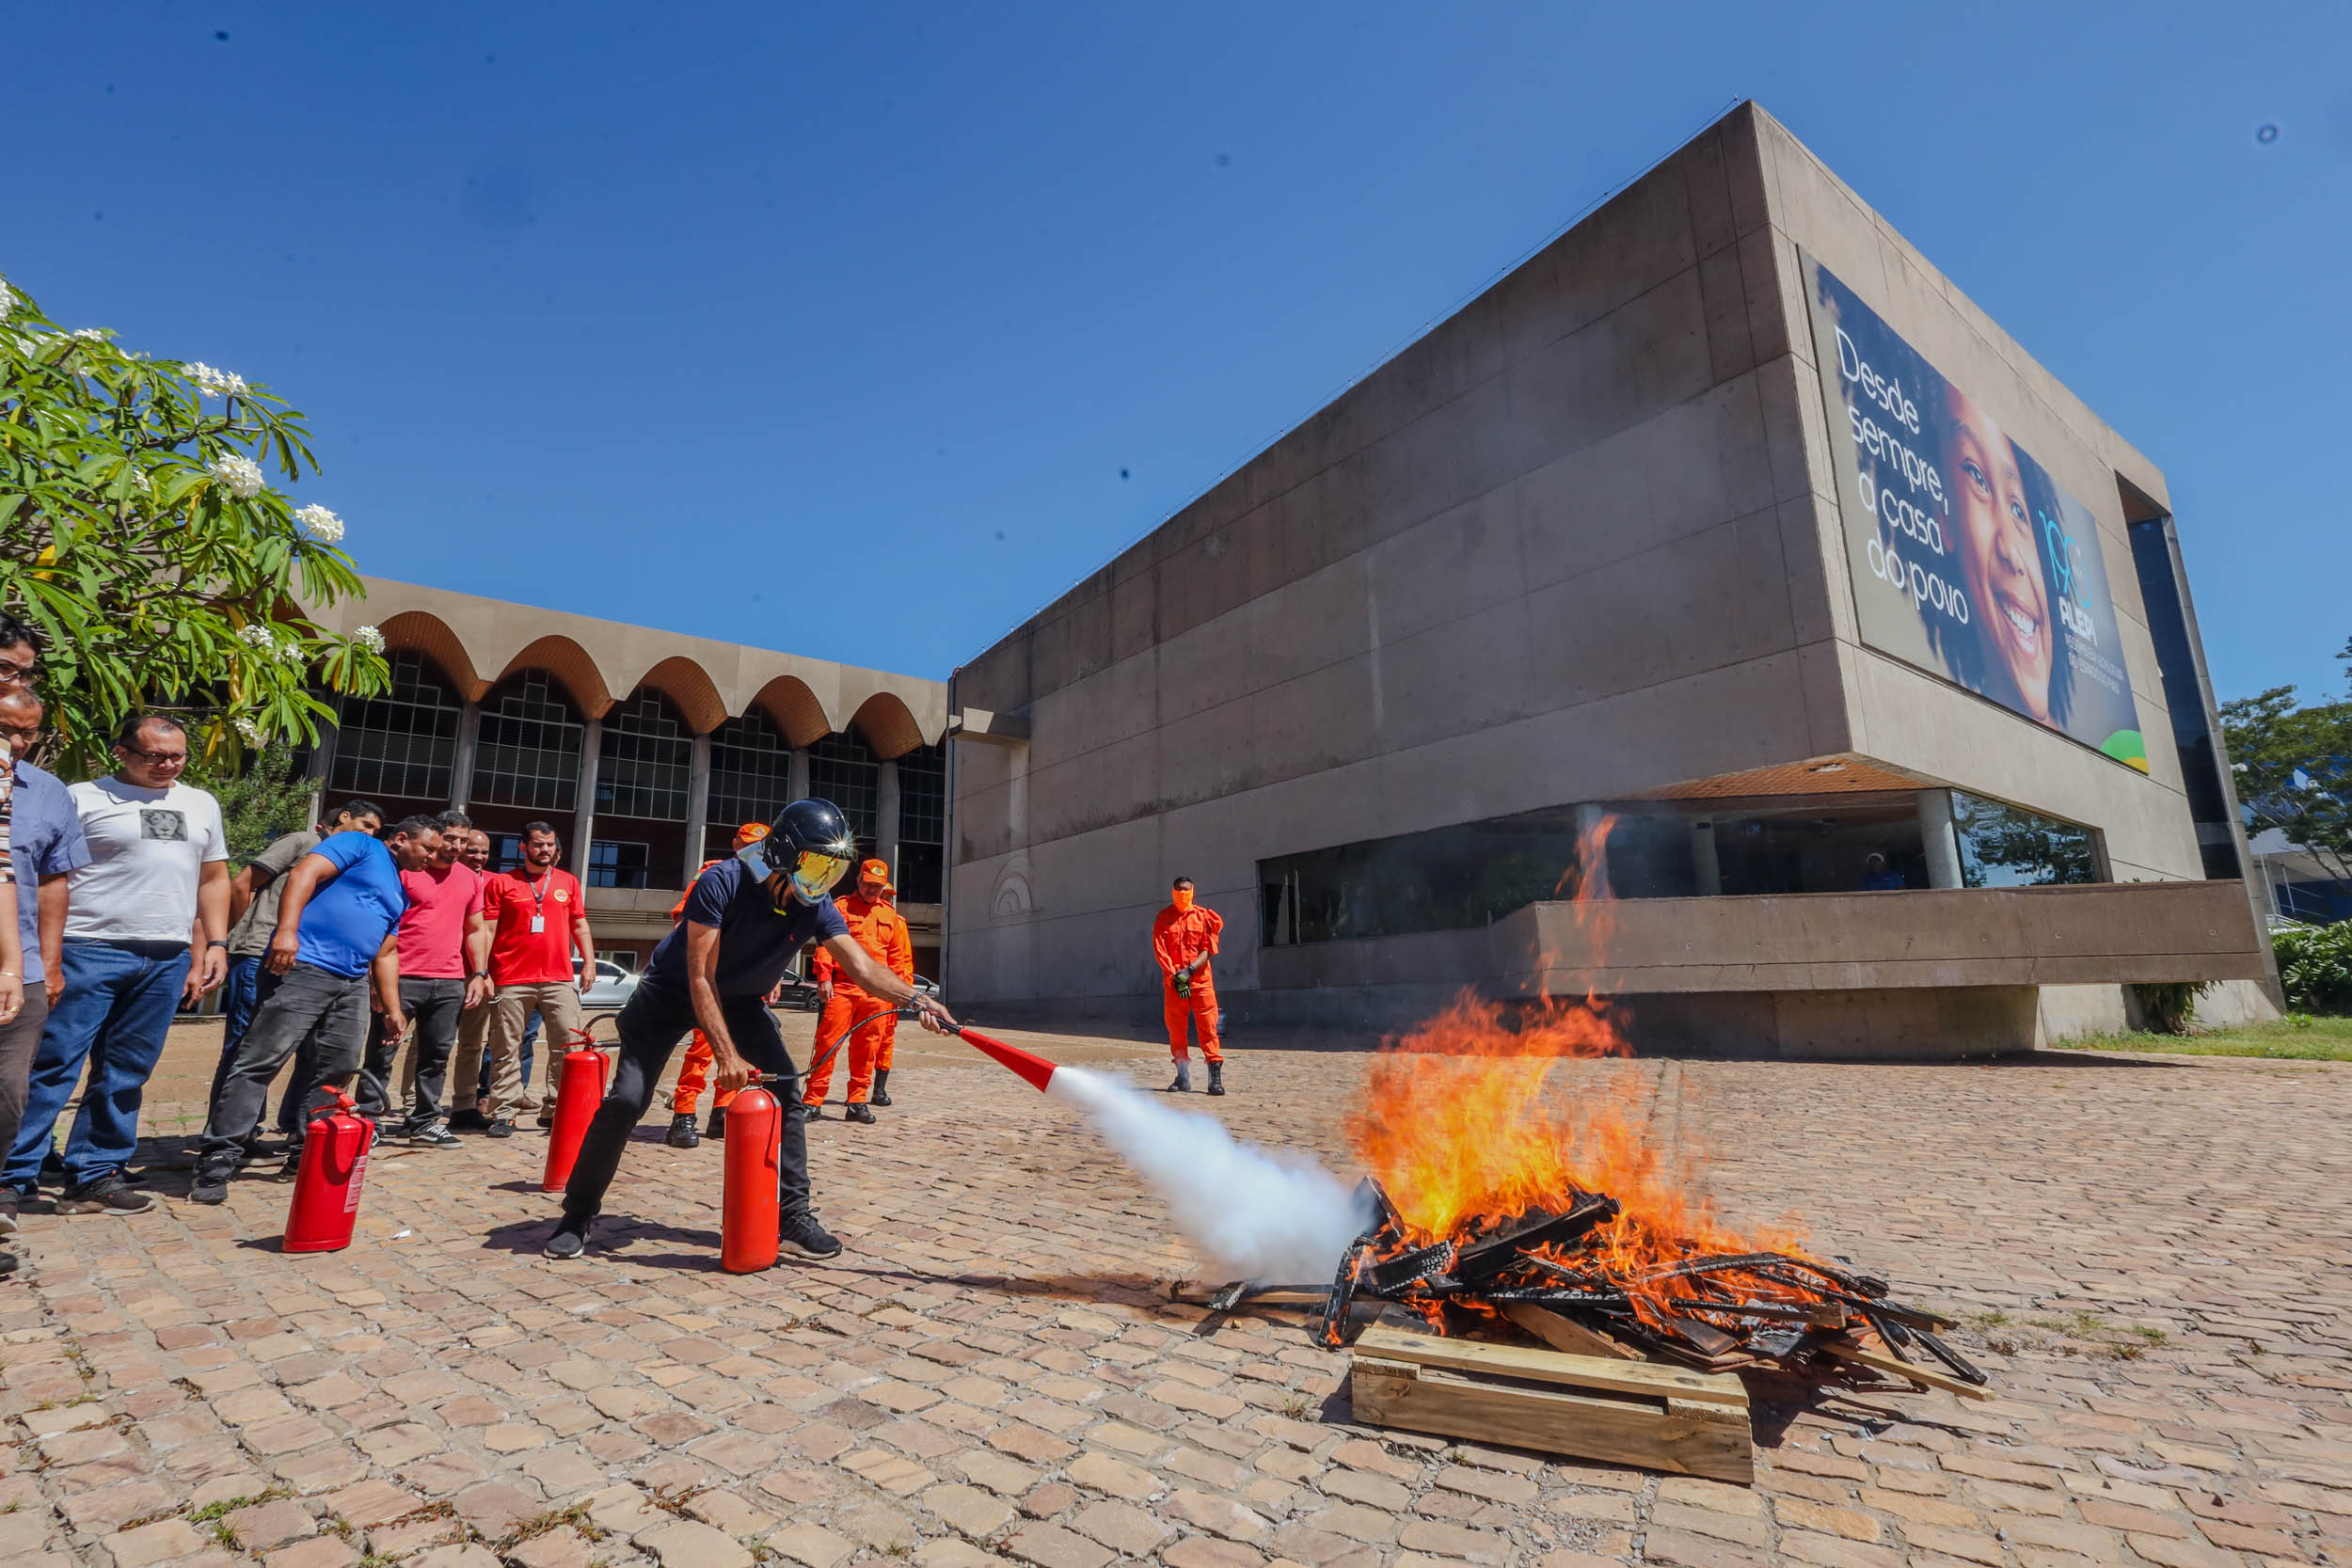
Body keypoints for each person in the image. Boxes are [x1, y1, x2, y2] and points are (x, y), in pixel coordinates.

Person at [546, 799, 954, 1261]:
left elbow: (861, 966)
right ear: (784, 853)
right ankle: (577, 1213)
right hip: (669, 994)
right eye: (817, 865)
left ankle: (792, 1215)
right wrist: (726, 1055)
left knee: (788, 1093)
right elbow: (700, 975)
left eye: (834, 869)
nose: (824, 880)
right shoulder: (723, 881)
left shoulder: (816, 905)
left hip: (741, 1001)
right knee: (626, 1101)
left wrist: (917, 1000)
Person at [6, 716, 228, 1215]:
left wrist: (214, 943)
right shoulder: (80, 797)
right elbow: (49, 876)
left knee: (126, 1072)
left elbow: (212, 877)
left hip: (166, 956)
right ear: (120, 752)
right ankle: (14, 1176)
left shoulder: (201, 803)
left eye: (177, 756)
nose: (167, 765)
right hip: (87, 947)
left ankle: (95, 1172)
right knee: (52, 1066)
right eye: (154, 756)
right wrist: (47, 955)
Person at [191, 816, 443, 1201]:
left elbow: (386, 952)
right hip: (303, 966)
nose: (433, 857)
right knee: (261, 1060)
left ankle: (306, 1150)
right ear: (401, 839)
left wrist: (392, 1008)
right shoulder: (360, 844)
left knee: (336, 1070)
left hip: (352, 982)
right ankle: (219, 1157)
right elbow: (303, 874)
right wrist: (287, 931)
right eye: (428, 848)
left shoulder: (398, 890)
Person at [216, 800, 385, 1143]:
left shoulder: (350, 860)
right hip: (261, 949)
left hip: (304, 959)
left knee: (309, 1052)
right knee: (249, 1048)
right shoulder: (303, 842)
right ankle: (233, 1136)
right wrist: (235, 935)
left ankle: (292, 1129)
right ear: (344, 816)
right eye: (366, 825)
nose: (370, 835)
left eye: (376, 832)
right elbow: (241, 884)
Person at [0, 679, 87, 1263]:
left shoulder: (48, 792)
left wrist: (48, 965)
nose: (18, 742)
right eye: (7, 730)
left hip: (22, 969)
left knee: (9, 1094)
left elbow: (52, 881)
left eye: (28, 733)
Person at [362, 809, 488, 1145]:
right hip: (400, 977)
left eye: (463, 840)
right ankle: (368, 1120)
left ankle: (424, 1122)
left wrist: (479, 973)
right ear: (435, 836)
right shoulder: (406, 871)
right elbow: (377, 923)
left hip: (449, 980)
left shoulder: (470, 879)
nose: (457, 846)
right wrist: (375, 978)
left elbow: (475, 929)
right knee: (381, 1053)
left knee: (436, 1056)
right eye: (450, 838)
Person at [478, 822, 596, 1136]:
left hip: (559, 977)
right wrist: (483, 971)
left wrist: (589, 963)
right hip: (511, 978)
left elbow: (580, 924)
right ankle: (504, 1111)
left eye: (550, 844)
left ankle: (557, 1109)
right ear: (524, 847)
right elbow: (487, 930)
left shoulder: (568, 882)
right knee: (506, 1047)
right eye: (538, 844)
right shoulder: (502, 883)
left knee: (569, 1043)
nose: (545, 850)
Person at [667, 822, 770, 1148]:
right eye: (748, 844)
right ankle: (684, 1114)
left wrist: (773, 976)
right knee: (703, 1048)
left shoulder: (769, 884)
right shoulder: (712, 874)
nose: (753, 850)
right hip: (711, 977)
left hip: (745, 979)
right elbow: (684, 921)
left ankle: (722, 1112)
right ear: (735, 843)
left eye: (760, 846)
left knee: (738, 1047)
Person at [803, 859, 913, 1125]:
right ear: (859, 881)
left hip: (877, 994)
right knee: (827, 1044)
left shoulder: (890, 916)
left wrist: (901, 994)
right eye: (869, 884)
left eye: (878, 886)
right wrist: (824, 977)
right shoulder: (840, 907)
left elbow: (899, 959)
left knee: (868, 1049)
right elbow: (825, 945)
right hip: (843, 987)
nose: (873, 890)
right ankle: (813, 1102)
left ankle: (857, 1102)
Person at [446, 829, 502, 1131]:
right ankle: (414, 1103)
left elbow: (493, 933)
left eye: (484, 852)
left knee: (472, 1044)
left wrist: (485, 973)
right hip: (443, 971)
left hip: (478, 975)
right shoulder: (444, 875)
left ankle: (464, 1106)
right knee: (429, 1044)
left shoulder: (495, 882)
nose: (478, 857)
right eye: (472, 850)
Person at [1152, 876, 1225, 1096]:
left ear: (1192, 890)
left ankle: (1214, 1079)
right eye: (1179, 889)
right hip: (1174, 983)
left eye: (1186, 889)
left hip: (1201, 983)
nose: (1183, 893)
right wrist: (1177, 977)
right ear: (1173, 891)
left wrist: (1189, 971)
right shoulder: (1164, 918)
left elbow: (1208, 949)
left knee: (1208, 1028)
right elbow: (1160, 950)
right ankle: (1182, 1077)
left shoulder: (1204, 917)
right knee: (1176, 1031)